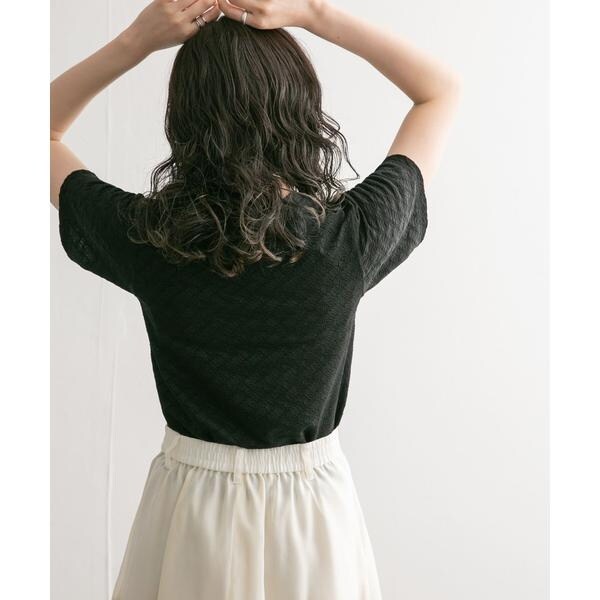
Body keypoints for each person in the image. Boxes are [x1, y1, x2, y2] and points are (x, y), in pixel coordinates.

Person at [50, 0, 461, 598]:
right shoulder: (350, 239)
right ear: (300, 107)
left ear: (184, 119)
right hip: (313, 514)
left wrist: (136, 40)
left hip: (190, 510)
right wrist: (314, 13)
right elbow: (439, 92)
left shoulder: (149, 239)